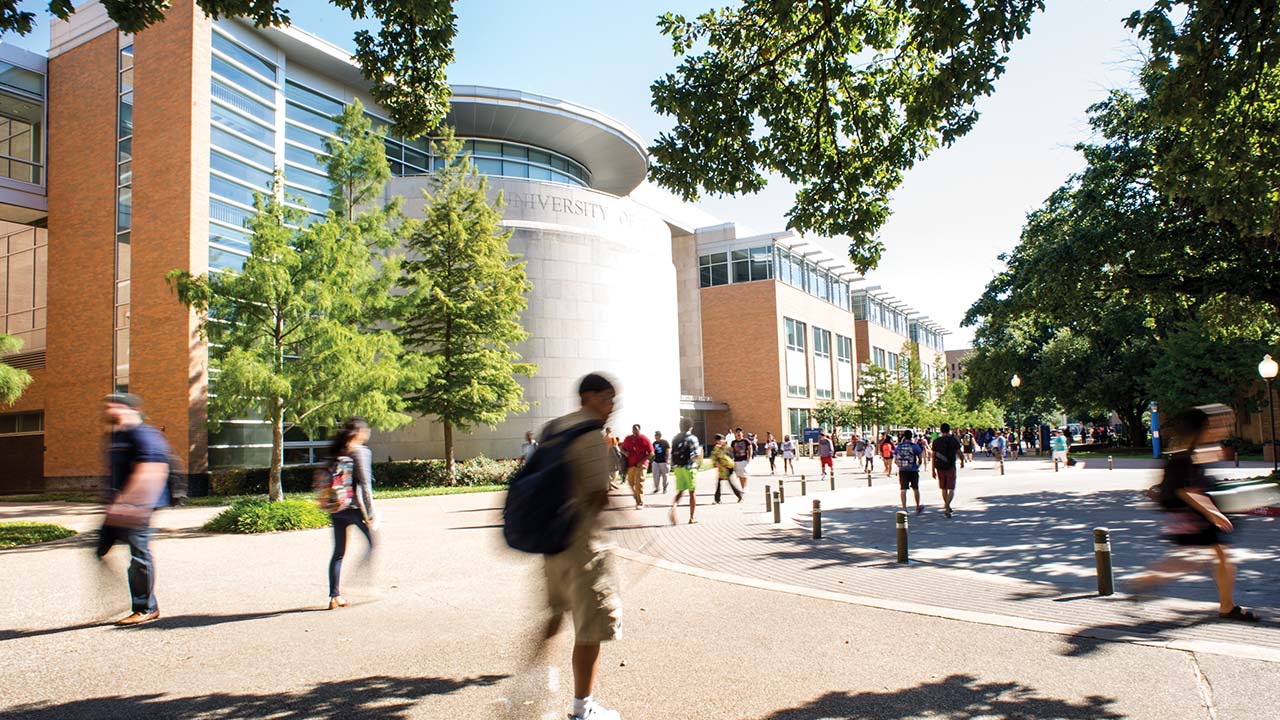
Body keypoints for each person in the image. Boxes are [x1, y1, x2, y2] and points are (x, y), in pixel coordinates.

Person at [533, 373, 625, 720]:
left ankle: (529, 681)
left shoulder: (555, 428)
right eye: (606, 399)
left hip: (553, 542)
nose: (611, 407)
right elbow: (598, 496)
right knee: (592, 628)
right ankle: (582, 709)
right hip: (584, 547)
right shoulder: (590, 433)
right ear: (589, 397)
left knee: (556, 614)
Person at [1128, 405, 1258, 623]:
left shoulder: (1190, 452)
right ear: (1202, 429)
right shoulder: (1188, 455)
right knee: (1190, 561)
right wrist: (1214, 513)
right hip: (1195, 518)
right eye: (1217, 424)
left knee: (1215, 557)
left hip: (1195, 517)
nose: (1223, 428)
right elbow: (1185, 490)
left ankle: (1227, 606)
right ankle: (1141, 583)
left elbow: (1175, 484)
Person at [98, 393, 171, 626]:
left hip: (137, 507)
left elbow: (153, 470)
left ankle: (146, 607)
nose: (109, 411)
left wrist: (132, 504)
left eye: (113, 406)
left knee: (139, 556)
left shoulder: (144, 435)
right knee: (99, 550)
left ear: (128, 409)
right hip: (118, 507)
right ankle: (123, 599)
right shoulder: (118, 436)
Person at [326, 417, 379, 610]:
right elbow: (365, 486)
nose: (367, 433)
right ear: (358, 433)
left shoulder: (337, 451)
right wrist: (370, 514)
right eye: (365, 430)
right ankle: (359, 583)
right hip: (353, 509)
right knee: (373, 544)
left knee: (338, 553)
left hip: (336, 507)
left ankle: (334, 596)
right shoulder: (361, 452)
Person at [669, 418, 703, 524]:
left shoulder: (675, 438)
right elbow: (696, 454)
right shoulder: (692, 438)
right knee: (692, 492)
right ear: (691, 427)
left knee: (680, 491)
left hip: (678, 468)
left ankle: (674, 507)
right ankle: (692, 517)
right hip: (689, 467)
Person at [931, 423, 963, 518]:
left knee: (943, 488)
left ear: (940, 430)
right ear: (949, 430)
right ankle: (947, 506)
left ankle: (947, 506)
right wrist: (962, 461)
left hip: (939, 467)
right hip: (950, 466)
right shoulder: (953, 440)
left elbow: (933, 456)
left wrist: (932, 469)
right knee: (951, 488)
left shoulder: (936, 441)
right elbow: (959, 452)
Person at [620, 424, 654, 509]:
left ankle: (640, 502)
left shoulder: (644, 439)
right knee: (631, 482)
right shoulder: (628, 439)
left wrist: (642, 461)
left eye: (636, 430)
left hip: (641, 465)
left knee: (639, 483)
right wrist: (625, 453)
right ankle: (637, 497)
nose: (635, 431)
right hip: (631, 465)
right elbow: (622, 448)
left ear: (639, 430)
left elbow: (651, 453)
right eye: (633, 429)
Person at [894, 430, 924, 514]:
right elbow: (920, 459)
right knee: (915, 488)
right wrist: (917, 466)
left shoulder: (899, 446)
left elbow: (895, 460)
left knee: (903, 489)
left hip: (902, 470)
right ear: (911, 437)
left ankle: (904, 508)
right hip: (913, 469)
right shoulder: (914, 446)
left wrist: (901, 466)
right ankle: (917, 506)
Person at [711, 434, 743, 503]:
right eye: (717, 440)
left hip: (728, 467)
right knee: (720, 483)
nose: (719, 442)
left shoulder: (726, 447)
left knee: (728, 482)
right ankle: (718, 499)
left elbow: (730, 456)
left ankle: (739, 495)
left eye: (720, 440)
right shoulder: (717, 448)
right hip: (722, 468)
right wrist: (715, 463)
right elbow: (714, 457)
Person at [650, 430, 671, 494]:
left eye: (656, 435)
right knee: (655, 476)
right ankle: (657, 488)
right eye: (655, 435)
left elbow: (668, 450)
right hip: (656, 461)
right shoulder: (654, 443)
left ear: (659, 436)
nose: (655, 436)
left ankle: (665, 488)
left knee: (665, 476)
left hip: (663, 461)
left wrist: (668, 459)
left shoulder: (665, 442)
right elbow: (652, 452)